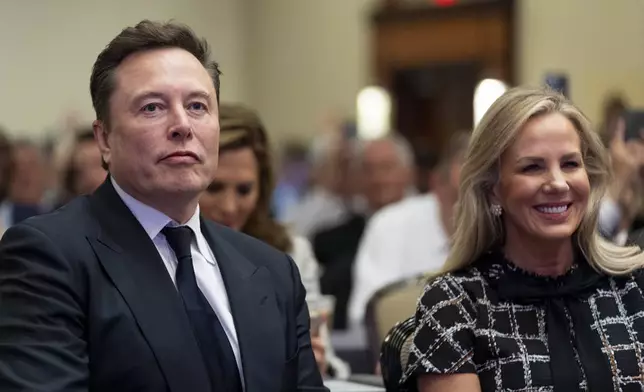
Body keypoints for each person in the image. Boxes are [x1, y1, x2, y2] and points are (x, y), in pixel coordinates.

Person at [0, 20, 327, 392]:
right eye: (153, 107)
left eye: (198, 106)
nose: (182, 125)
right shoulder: (48, 256)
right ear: (104, 138)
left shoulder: (272, 270)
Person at [400, 87, 644, 392]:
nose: (557, 183)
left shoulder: (633, 285)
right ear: (493, 188)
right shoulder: (455, 303)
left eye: (570, 164)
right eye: (532, 167)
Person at [199, 102, 350, 379]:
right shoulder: (166, 249)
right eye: (215, 188)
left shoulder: (290, 251)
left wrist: (318, 364)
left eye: (244, 190)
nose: (230, 206)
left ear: (263, 187)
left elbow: (325, 359)